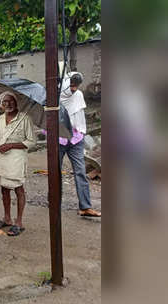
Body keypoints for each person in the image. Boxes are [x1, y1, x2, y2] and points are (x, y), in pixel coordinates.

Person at [0, 92, 36, 236]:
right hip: (2, 158)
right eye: (5, 102)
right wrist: (1, 148)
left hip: (17, 159)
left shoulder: (25, 118)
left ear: (16, 103)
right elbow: (0, 138)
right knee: (4, 189)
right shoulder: (0, 119)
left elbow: (31, 141)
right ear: (1, 105)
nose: (8, 104)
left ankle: (19, 222)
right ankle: (7, 218)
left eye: (11, 101)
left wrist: (11, 145)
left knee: (18, 189)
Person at [60, 73, 101, 217]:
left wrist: (82, 132)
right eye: (71, 84)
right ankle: (54, 202)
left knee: (80, 172)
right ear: (65, 83)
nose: (73, 88)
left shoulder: (78, 95)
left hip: (76, 138)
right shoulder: (58, 95)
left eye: (76, 85)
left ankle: (85, 207)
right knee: (55, 173)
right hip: (59, 138)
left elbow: (79, 115)